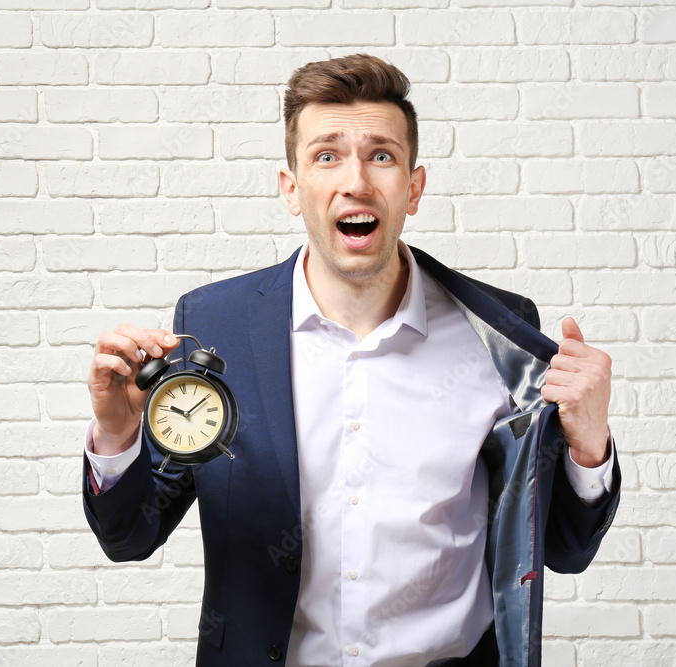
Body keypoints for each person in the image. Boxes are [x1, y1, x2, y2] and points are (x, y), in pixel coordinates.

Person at [84, 54, 620, 667]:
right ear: (292, 189)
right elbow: (130, 536)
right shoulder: (216, 325)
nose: (357, 181)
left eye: (382, 155)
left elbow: (563, 550)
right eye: (327, 155)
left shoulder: (500, 335)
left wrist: (587, 446)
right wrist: (118, 435)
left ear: (413, 189)